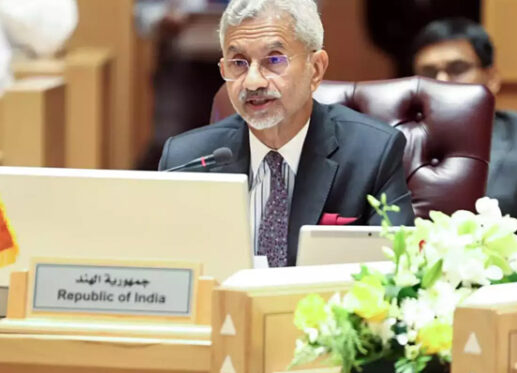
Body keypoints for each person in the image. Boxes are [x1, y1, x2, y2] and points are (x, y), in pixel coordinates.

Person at [159, 0, 415, 267]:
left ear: (315, 69)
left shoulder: (373, 153)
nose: (253, 81)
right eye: (238, 63)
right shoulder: (186, 161)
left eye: (274, 60)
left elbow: (395, 270)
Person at [411, 18, 517, 235]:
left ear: (492, 78)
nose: (442, 80)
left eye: (457, 69)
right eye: (428, 73)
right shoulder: (399, 141)